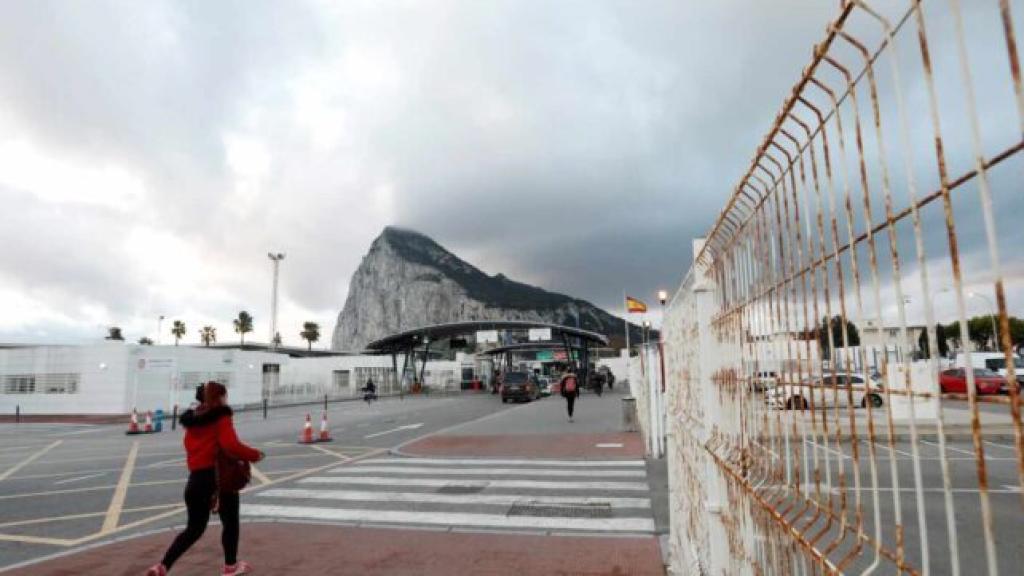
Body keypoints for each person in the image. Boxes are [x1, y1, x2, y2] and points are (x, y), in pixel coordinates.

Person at [147, 382, 264, 576]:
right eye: (224, 396)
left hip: (195, 481)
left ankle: (163, 566)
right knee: (231, 523)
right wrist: (255, 454)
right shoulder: (221, 416)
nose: (226, 399)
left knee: (193, 529)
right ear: (218, 398)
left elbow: (192, 447)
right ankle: (230, 566)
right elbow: (231, 444)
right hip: (219, 480)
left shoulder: (193, 419)